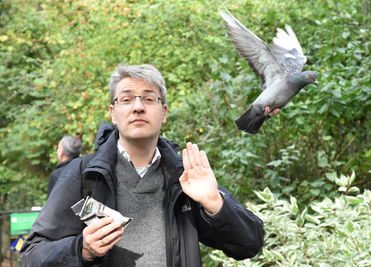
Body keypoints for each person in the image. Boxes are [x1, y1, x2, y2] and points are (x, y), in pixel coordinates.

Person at [20, 64, 264, 266]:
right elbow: (31, 255)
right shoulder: (83, 175)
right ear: (113, 113)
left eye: (149, 98)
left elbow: (249, 244)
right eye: (126, 99)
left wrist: (214, 202)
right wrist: (81, 249)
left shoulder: (184, 177)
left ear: (164, 112)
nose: (138, 106)